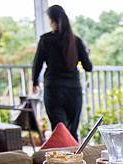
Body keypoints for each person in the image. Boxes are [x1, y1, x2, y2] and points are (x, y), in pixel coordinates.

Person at [32, 5, 92, 140]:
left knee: (59, 131)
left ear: (52, 20)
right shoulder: (76, 41)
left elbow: (37, 63)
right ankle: (76, 159)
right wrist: (86, 54)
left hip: (53, 89)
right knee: (72, 131)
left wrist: (34, 82)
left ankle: (61, 160)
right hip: (73, 90)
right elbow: (88, 67)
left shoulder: (45, 40)